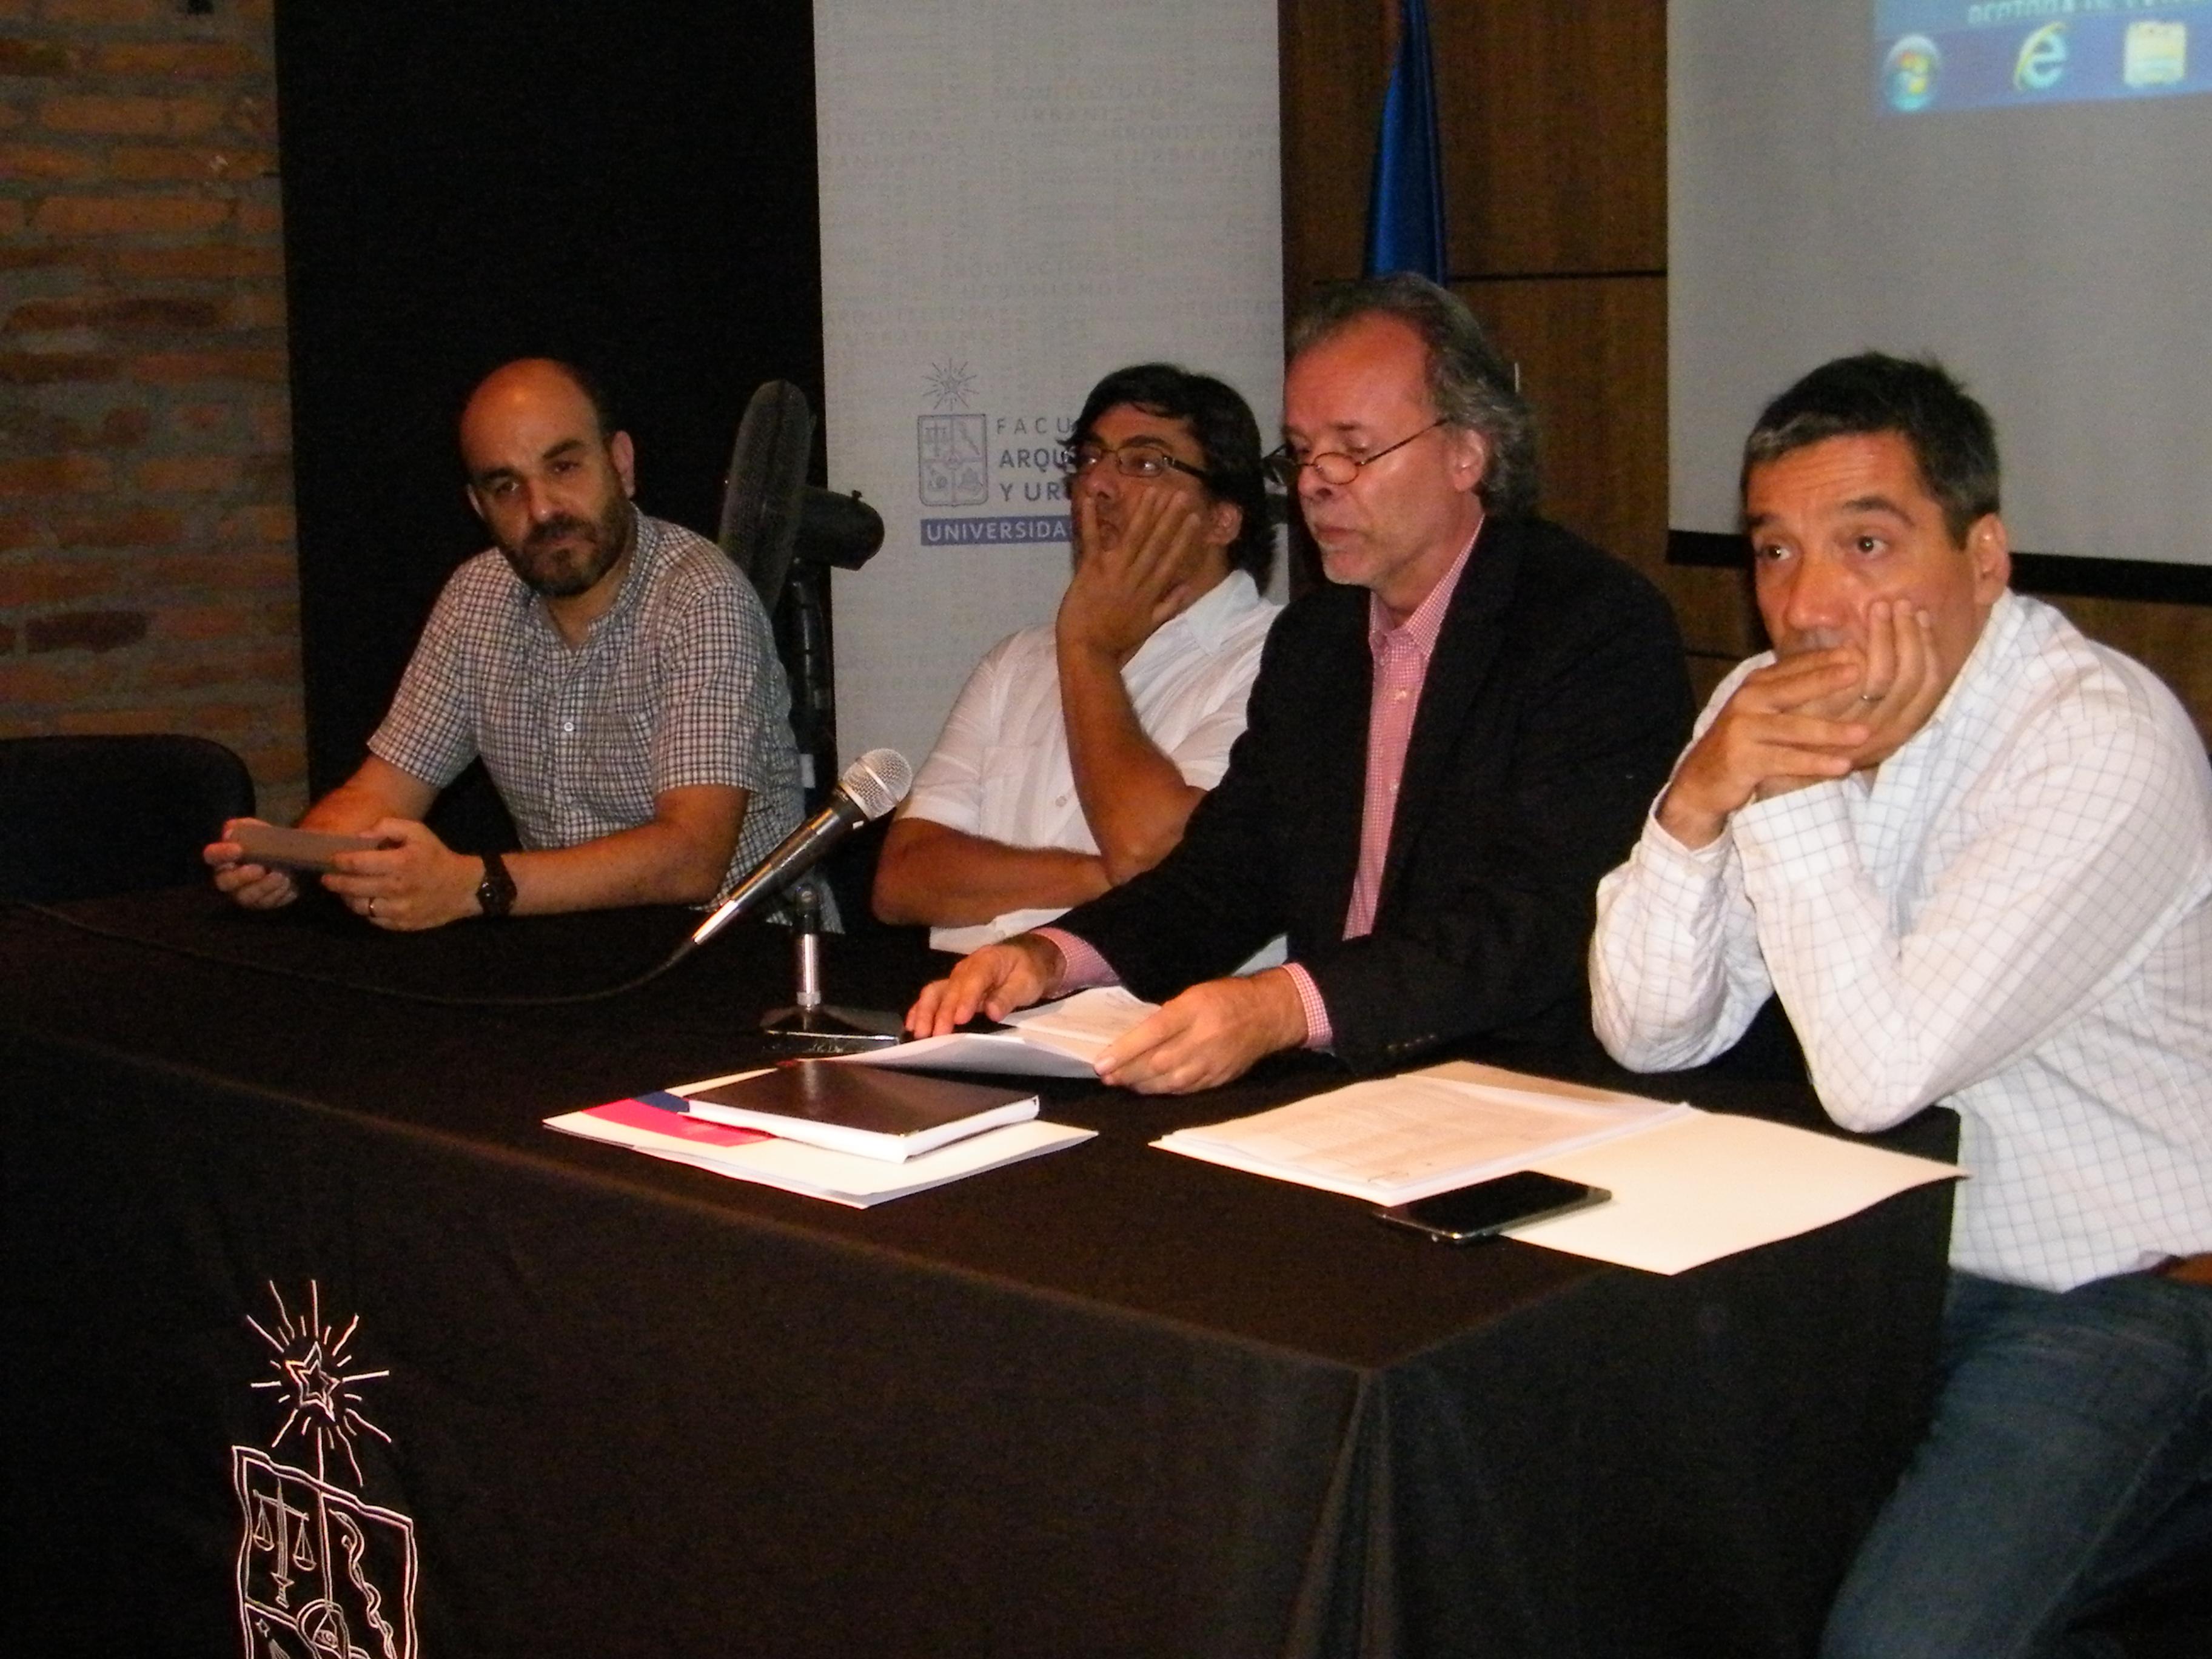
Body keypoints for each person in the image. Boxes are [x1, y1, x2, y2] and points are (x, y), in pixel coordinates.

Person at [1588, 353, 2212, 1657]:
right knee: (1588, 1503)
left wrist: (1796, 789)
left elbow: (1879, 1075)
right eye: (1774, 551)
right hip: (1892, 1258)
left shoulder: (2097, 737)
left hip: (2138, 1293)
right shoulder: (1770, 711)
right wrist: (1695, 811)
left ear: (1986, 559)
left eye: (1865, 542)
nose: (1809, 604)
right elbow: (1653, 1032)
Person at [908, 272, 1691, 1092]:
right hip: (1335, 1085)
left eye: (1353, 450)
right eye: (1304, 452)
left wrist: (1282, 1006)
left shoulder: (1590, 625)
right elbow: (1232, 868)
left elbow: (1539, 920)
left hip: (1519, 1083)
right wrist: (1053, 955)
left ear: (1468, 451)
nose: (1317, 482)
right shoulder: (1318, 640)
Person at [205, 357, 802, 930]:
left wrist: (473, 885)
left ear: (620, 464)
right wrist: (296, 859)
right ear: (477, 506)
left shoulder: (701, 595)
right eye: (506, 486)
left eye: (564, 467)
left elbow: (692, 858)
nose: (541, 509)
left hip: (738, 967)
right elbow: (381, 792)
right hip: (569, 960)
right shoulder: (477, 597)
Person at [872, 362, 1279, 953]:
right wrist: (1098, 876)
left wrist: (1087, 648)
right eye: (1091, 459)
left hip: (1145, 1026)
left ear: (1222, 518)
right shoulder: (1017, 661)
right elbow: (904, 880)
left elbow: (1157, 851)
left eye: (1145, 463)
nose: (1098, 486)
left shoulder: (1278, 661)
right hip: (969, 1011)